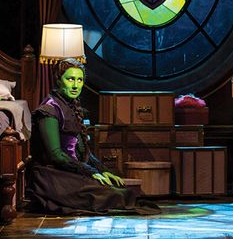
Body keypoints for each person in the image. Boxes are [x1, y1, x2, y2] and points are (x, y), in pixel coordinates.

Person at [26, 58, 160, 215]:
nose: (75, 85)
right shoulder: (49, 110)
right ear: (59, 80)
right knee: (113, 195)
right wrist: (89, 171)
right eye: (70, 79)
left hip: (70, 171)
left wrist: (102, 170)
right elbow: (56, 155)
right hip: (52, 176)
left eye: (79, 80)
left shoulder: (70, 105)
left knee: (117, 188)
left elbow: (82, 149)